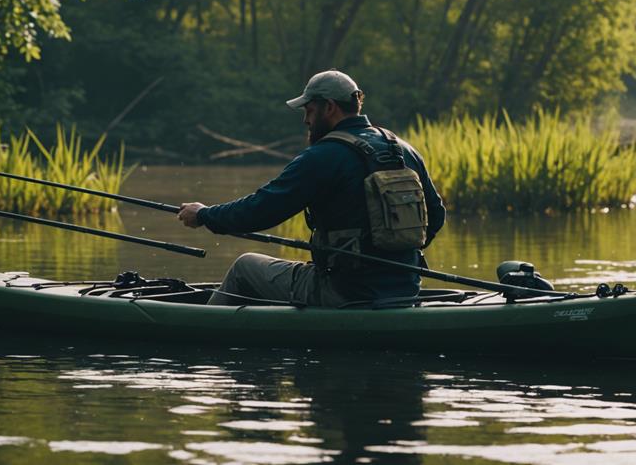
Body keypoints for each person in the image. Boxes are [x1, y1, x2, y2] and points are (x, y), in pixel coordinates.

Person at [177, 70, 445, 307]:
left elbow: (262, 209)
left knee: (244, 267)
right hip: (405, 289)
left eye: (309, 110)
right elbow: (436, 215)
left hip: (344, 292)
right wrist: (396, 263)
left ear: (329, 108)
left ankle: (201, 340)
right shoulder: (402, 149)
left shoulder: (324, 155)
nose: (306, 119)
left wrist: (204, 215)